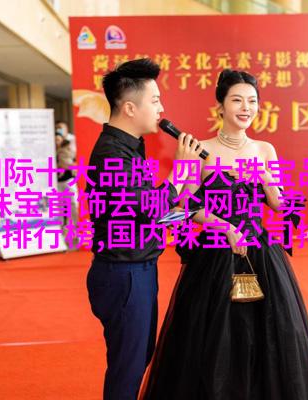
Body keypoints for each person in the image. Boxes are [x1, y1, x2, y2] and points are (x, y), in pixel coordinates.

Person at [141, 70, 308, 399]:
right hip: (214, 259)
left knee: (271, 339)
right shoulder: (198, 150)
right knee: (214, 341)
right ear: (221, 106)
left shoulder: (264, 150)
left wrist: (272, 185)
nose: (246, 108)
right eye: (237, 100)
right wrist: (224, 226)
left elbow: (278, 203)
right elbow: (179, 208)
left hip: (261, 256)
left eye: (252, 101)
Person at [85, 58, 203, 400]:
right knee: (128, 367)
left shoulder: (129, 149)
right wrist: (180, 172)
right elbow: (150, 207)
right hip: (124, 274)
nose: (162, 109)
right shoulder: (111, 154)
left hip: (135, 270)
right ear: (129, 107)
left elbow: (144, 216)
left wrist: (189, 209)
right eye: (155, 101)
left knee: (136, 360)